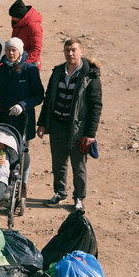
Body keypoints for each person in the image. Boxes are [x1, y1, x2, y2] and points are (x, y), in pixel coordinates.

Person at [37, 38, 102, 211]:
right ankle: (60, 193)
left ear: (81, 51)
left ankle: (79, 198)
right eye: (67, 50)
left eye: (74, 50)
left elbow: (96, 106)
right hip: (57, 125)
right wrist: (43, 123)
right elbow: (49, 99)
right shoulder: (58, 72)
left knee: (78, 166)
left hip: (78, 129)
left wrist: (90, 133)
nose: (70, 53)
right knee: (58, 163)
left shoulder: (91, 75)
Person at [0, 37, 44, 195]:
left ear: (20, 51)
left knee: (22, 151)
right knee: (2, 149)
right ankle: (3, 182)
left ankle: (22, 183)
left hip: (22, 119)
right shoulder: (0, 70)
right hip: (3, 117)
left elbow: (39, 95)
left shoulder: (30, 70)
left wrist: (23, 105)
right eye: (8, 50)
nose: (11, 53)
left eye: (14, 50)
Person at [9, 0, 43, 70]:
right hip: (17, 61)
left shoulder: (34, 27)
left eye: (13, 16)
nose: (12, 19)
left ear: (19, 17)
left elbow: (36, 49)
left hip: (29, 64)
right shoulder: (18, 24)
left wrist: (23, 63)